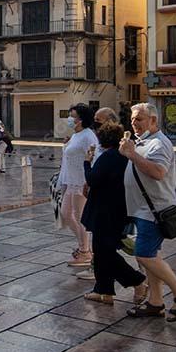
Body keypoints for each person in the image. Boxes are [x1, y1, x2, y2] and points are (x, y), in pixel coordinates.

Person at [121, 102, 176, 321]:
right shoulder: (142, 141)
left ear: (153, 120)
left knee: (144, 255)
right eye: (133, 119)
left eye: (139, 119)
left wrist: (131, 155)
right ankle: (156, 302)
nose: (134, 123)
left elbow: (158, 172)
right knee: (152, 255)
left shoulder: (160, 143)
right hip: (142, 209)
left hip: (154, 210)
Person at [81, 120, 146, 304]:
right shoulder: (123, 156)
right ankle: (104, 290)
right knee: (102, 252)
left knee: (105, 253)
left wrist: (87, 163)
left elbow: (93, 179)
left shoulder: (109, 156)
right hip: (117, 209)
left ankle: (137, 281)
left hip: (105, 211)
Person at [59, 104, 97, 267]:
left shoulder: (88, 136)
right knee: (65, 214)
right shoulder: (76, 134)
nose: (69, 118)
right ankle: (84, 247)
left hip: (81, 182)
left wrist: (89, 181)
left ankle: (85, 251)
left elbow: (94, 158)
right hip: (71, 180)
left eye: (72, 115)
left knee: (80, 216)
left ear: (80, 119)